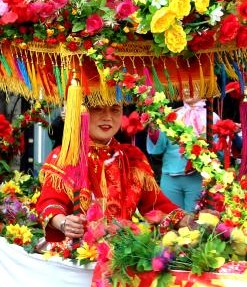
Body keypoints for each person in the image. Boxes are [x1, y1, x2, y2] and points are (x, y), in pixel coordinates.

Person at [37, 102, 187, 243]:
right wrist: (64, 223)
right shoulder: (67, 155)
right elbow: (50, 203)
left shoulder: (132, 157)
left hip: (122, 253)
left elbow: (156, 205)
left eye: (115, 109)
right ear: (82, 111)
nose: (108, 117)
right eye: (98, 109)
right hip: (77, 254)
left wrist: (185, 220)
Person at [146, 97, 215, 212]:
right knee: (170, 219)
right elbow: (158, 148)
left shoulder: (211, 117)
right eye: (185, 86)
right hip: (170, 177)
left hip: (198, 177)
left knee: (196, 221)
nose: (188, 90)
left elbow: (218, 151)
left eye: (193, 86)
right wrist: (153, 132)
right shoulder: (172, 116)